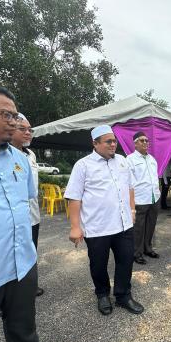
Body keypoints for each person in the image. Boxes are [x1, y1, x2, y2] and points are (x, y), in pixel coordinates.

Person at [0, 83, 67, 342]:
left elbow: (25, 202)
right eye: (6, 115)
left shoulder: (19, 159)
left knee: (23, 318)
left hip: (21, 260)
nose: (14, 122)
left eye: (15, 116)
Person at [65, 125, 144, 315]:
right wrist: (75, 227)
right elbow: (74, 196)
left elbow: (130, 187)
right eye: (108, 141)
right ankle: (102, 294)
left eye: (114, 140)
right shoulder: (83, 165)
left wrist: (132, 209)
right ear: (95, 143)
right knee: (98, 264)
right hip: (97, 227)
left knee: (126, 261)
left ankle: (123, 295)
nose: (113, 144)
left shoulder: (123, 161)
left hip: (123, 225)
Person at [10, 113, 44, 296]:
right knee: (10, 256)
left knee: (30, 251)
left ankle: (28, 285)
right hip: (13, 216)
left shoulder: (30, 154)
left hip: (32, 214)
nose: (27, 133)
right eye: (22, 129)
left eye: (29, 130)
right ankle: (3, 296)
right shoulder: (3, 152)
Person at [126, 131, 161, 265]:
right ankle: (137, 253)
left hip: (153, 197)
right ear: (135, 143)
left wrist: (157, 192)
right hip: (140, 199)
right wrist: (132, 202)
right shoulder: (130, 159)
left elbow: (154, 178)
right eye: (142, 140)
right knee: (138, 228)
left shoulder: (152, 159)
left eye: (147, 140)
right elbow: (129, 182)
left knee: (151, 226)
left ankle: (148, 248)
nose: (145, 143)